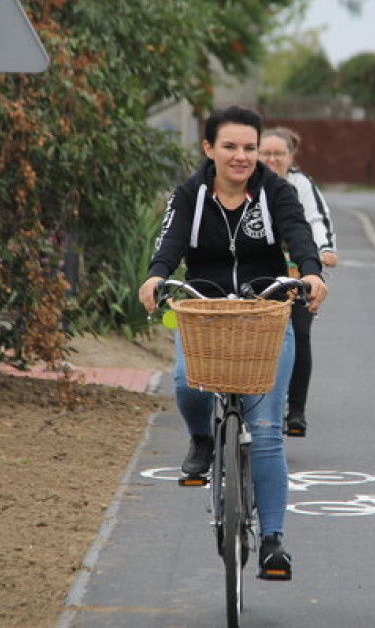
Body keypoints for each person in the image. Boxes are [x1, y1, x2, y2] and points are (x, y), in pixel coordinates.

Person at [138, 105, 329, 581]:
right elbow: (170, 242)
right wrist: (156, 276)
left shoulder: (276, 192)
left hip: (265, 311)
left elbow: (299, 235)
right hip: (204, 310)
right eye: (230, 147)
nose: (241, 156)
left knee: (266, 431)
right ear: (209, 149)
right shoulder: (191, 195)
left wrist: (310, 273)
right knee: (186, 382)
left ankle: (272, 542)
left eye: (249, 147)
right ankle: (202, 439)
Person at [259, 126, 339, 437]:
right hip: (257, 273)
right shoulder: (245, 185)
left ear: (291, 158)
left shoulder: (301, 185)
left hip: (294, 273)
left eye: (279, 154)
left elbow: (317, 221)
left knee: (299, 333)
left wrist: (324, 250)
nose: (271, 159)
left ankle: (296, 411)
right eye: (265, 153)